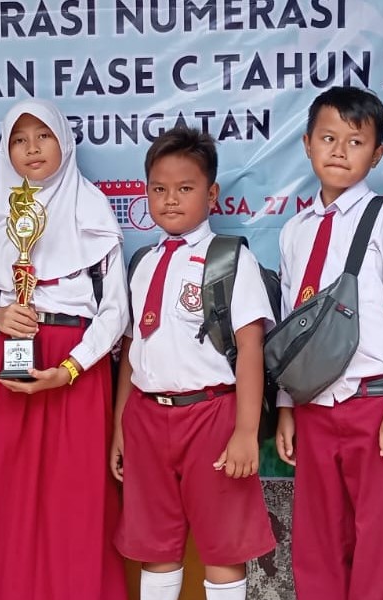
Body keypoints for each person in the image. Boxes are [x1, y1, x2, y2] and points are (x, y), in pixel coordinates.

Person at [0, 98, 128, 600]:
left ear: (65, 143)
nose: (32, 148)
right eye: (19, 139)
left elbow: (115, 312)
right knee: (11, 503)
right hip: (12, 366)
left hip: (75, 368)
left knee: (75, 504)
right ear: (5, 152)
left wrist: (70, 368)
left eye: (43, 136)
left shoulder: (92, 210)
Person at [274, 87, 383, 600]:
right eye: (328, 138)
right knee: (317, 546)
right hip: (315, 408)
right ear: (306, 144)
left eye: (356, 141)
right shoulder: (294, 231)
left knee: (382, 548)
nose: (339, 151)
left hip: (378, 405)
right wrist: (286, 406)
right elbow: (292, 329)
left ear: (377, 153)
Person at [111, 127, 276, 600]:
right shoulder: (142, 262)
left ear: (212, 193)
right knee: (155, 546)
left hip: (212, 416)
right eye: (159, 189)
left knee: (223, 546)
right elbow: (132, 352)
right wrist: (121, 425)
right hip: (147, 417)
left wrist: (245, 432)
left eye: (185, 188)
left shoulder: (229, 260)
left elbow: (250, 349)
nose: (170, 200)